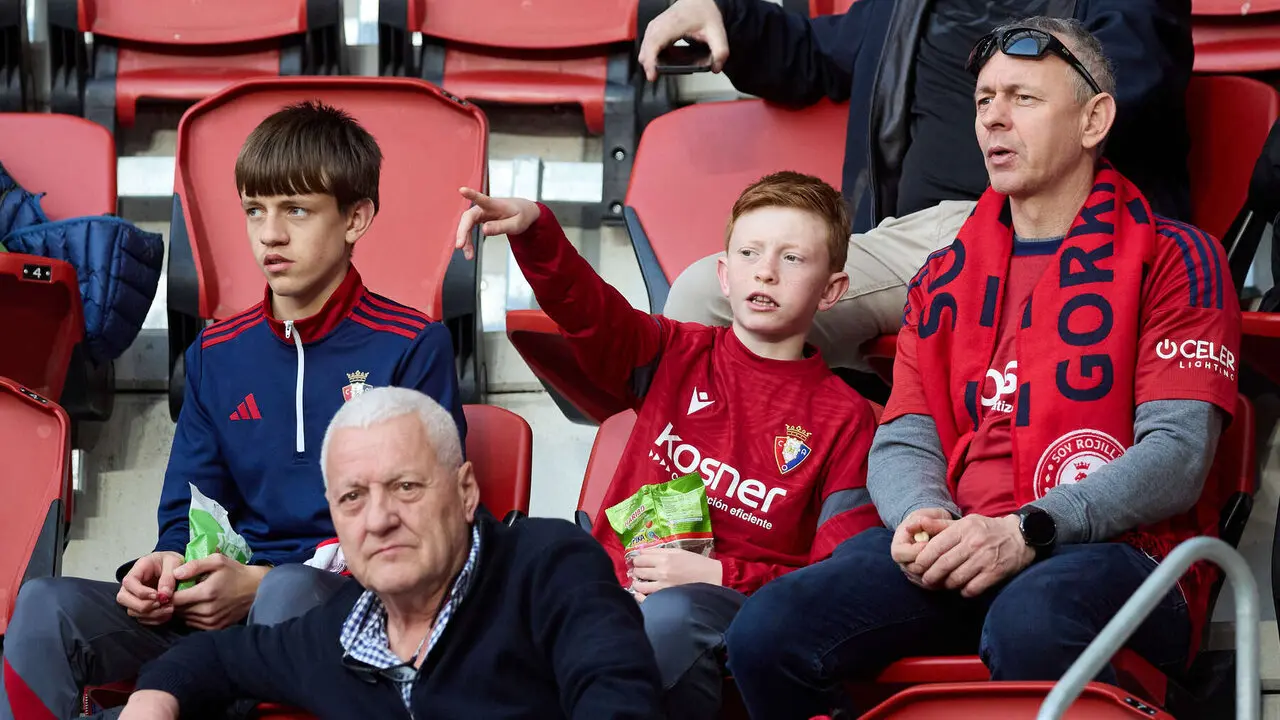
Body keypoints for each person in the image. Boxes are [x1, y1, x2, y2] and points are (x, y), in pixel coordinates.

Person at [721, 18, 1241, 719]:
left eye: (1023, 98)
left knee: (1030, 621)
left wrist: (1026, 531)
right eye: (984, 99)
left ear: (1094, 120)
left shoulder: (1178, 256)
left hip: (1117, 552)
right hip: (966, 538)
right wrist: (923, 516)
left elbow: (1176, 457)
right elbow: (906, 434)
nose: (993, 116)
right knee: (766, 631)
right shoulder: (943, 272)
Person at [1, 101, 466, 720]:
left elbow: (420, 521)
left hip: (350, 608)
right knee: (44, 607)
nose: (270, 234)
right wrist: (169, 570)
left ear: (356, 218)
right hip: (222, 605)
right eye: (255, 210)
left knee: (290, 592)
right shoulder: (215, 355)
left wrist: (262, 586)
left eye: (295, 211)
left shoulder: (410, 345)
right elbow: (188, 508)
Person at [453, 171, 881, 719]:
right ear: (724, 276)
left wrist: (720, 575)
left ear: (832, 290)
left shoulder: (848, 419)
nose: (767, 271)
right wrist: (537, 232)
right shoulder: (676, 350)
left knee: (671, 618)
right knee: (514, 566)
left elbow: (839, 580)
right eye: (750, 252)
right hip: (609, 589)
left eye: (793, 259)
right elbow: (590, 313)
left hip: (727, 609)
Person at [640, 0, 1194, 373]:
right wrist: (721, 13)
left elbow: (1127, 89)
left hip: (1051, 232)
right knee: (708, 296)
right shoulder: (905, 5)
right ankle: (702, 528)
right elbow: (811, 57)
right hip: (917, 238)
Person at [117, 387, 664, 720]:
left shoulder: (549, 568)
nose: (379, 520)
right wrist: (150, 703)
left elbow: (618, 700)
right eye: (353, 498)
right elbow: (212, 660)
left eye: (406, 487)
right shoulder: (340, 629)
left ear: (466, 491)